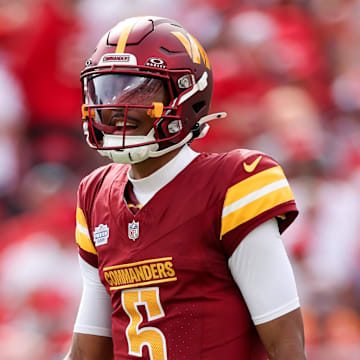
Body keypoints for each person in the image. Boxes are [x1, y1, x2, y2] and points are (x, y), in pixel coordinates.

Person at [65, 16, 307, 360]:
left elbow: (286, 345)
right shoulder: (94, 194)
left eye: (140, 89)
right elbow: (88, 350)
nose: (117, 105)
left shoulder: (233, 182)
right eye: (107, 88)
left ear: (186, 95)